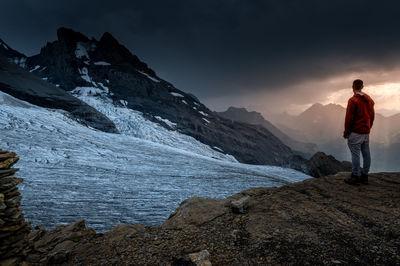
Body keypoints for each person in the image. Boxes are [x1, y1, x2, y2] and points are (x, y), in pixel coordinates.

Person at [343, 79, 375, 185]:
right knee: (366, 154)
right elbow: (372, 116)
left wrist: (346, 132)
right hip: (366, 131)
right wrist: (369, 127)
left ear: (353, 87)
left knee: (355, 154)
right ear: (362, 87)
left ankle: (355, 176)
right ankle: (365, 176)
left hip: (356, 132)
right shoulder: (369, 100)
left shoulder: (353, 100)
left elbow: (349, 118)